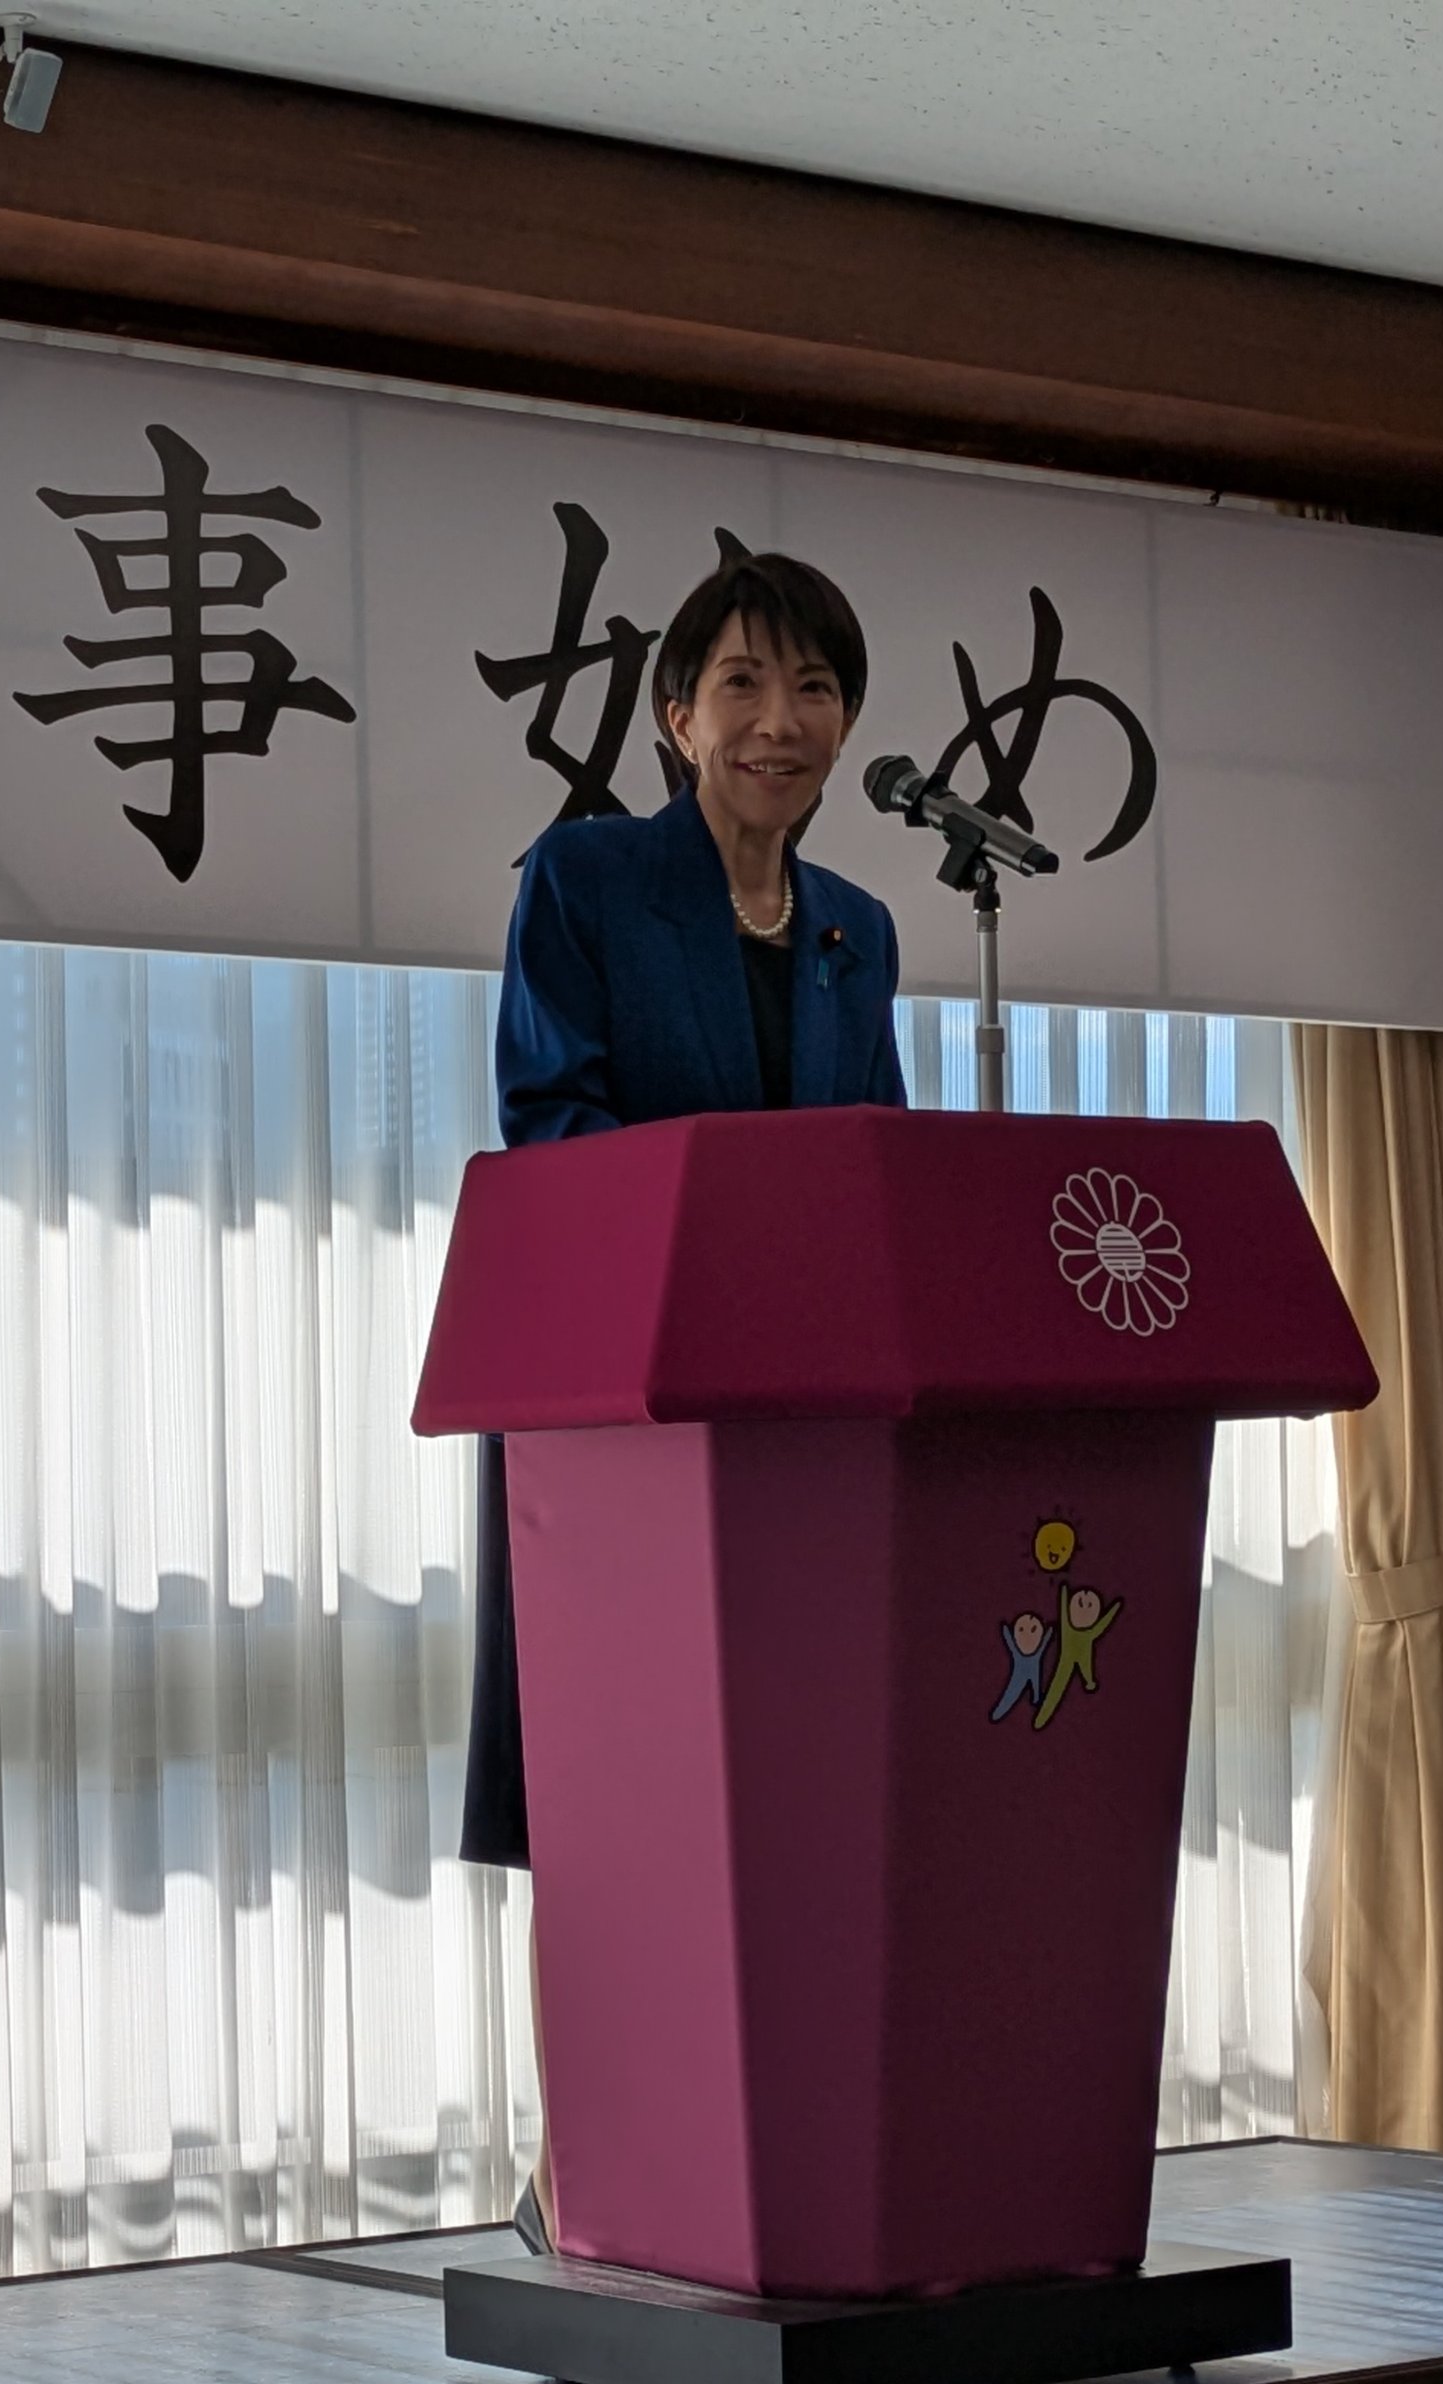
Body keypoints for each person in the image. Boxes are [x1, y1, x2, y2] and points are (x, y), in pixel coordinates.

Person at [457, 548, 906, 2242]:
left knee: (789, 1800)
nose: (780, 721)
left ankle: (767, 2153)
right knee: (612, 1802)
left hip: (801, 1437)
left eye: (814, 689)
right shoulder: (586, 881)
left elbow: (876, 1167)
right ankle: (585, 2168)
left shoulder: (859, 930)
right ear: (673, 715)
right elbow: (550, 1124)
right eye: (742, 685)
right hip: (620, 1417)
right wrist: (725, 1252)